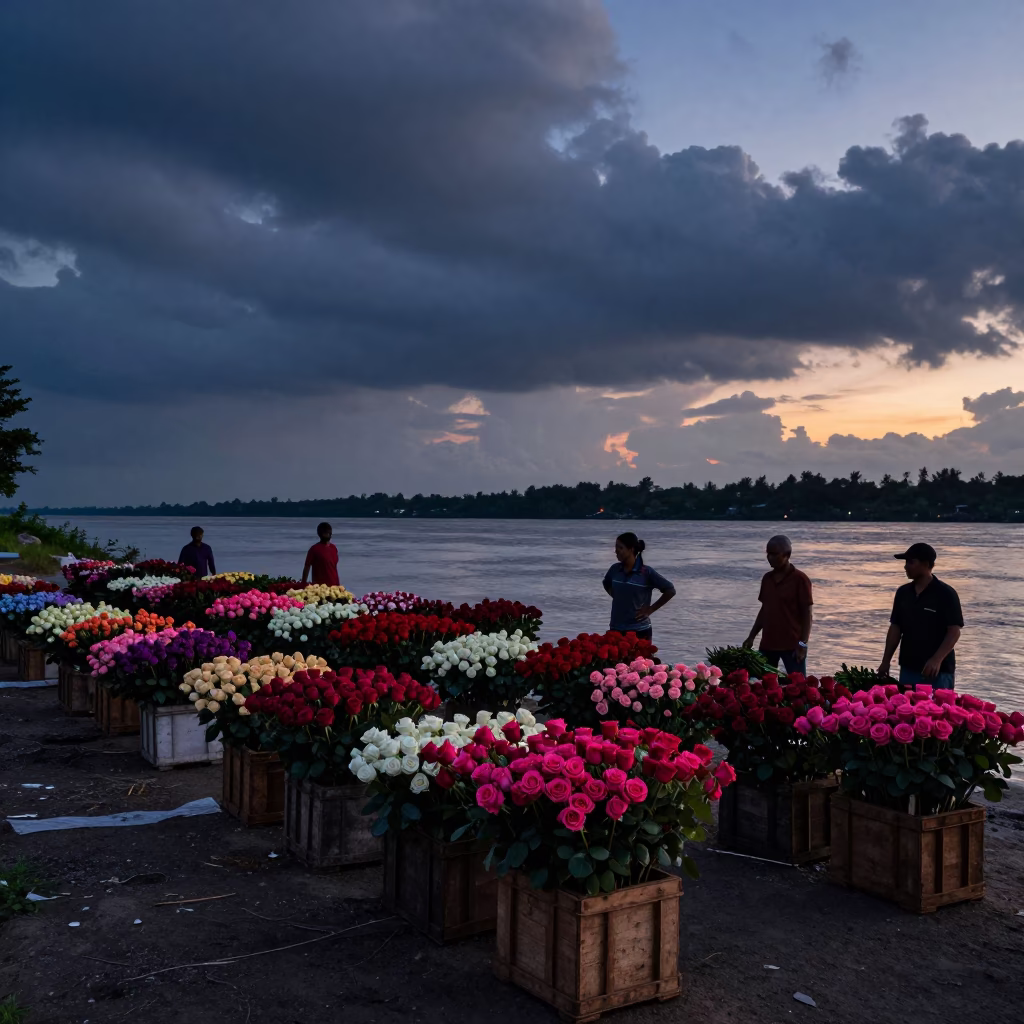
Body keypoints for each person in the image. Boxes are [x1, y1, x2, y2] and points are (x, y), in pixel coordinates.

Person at [878, 542, 963, 687]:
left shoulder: (946, 593)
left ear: (925, 564)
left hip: (938, 672)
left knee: (938, 710)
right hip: (908, 668)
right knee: (906, 708)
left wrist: (936, 659)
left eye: (911, 562)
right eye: (906, 562)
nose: (905, 566)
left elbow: (954, 632)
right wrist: (885, 662)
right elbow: (895, 628)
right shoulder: (903, 593)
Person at [743, 534, 812, 674]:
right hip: (768, 645)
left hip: (792, 646)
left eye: (774, 554)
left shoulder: (800, 579)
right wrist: (751, 636)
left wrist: (802, 644)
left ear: (787, 555)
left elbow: (807, 615)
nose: (770, 558)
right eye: (768, 554)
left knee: (798, 688)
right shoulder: (767, 579)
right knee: (761, 687)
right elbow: (764, 610)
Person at [602, 533, 675, 642]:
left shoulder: (646, 572)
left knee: (641, 659)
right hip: (616, 629)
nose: (616, 551)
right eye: (615, 547)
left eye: (620, 547)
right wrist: (618, 596)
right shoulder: (615, 569)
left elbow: (670, 590)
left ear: (631, 549)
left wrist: (650, 609)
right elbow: (606, 583)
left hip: (639, 631)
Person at [301, 522, 339, 586]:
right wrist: (303, 584)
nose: (327, 534)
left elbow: (334, 568)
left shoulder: (334, 548)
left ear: (331, 533)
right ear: (320, 534)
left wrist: (338, 584)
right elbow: (307, 567)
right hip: (319, 587)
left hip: (334, 586)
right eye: (324, 533)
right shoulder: (314, 549)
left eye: (328, 532)